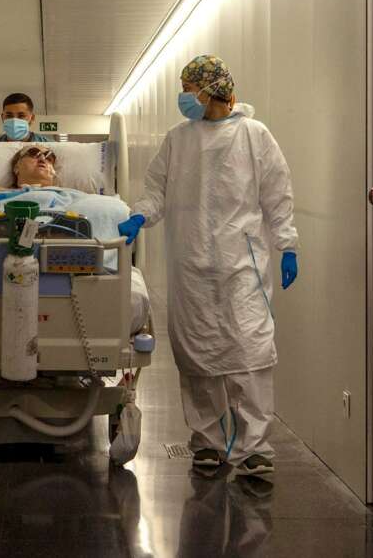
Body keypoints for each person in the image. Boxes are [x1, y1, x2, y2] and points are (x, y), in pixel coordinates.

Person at [117, 55, 300, 477]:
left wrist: (287, 244)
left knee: (250, 354)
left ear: (209, 89)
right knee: (197, 355)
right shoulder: (177, 140)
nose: (182, 96)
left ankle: (254, 447)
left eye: (187, 86)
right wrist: (139, 216)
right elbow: (155, 193)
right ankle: (207, 443)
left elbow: (277, 195)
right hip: (191, 265)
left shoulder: (255, 136)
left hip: (242, 266)